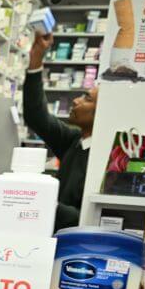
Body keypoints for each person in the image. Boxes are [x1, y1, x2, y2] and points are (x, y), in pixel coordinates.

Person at [26, 32, 97, 229]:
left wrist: (47, 202)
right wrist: (36, 59)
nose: (76, 100)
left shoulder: (108, 159)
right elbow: (36, 116)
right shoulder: (74, 140)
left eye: (87, 99)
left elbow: (87, 217)